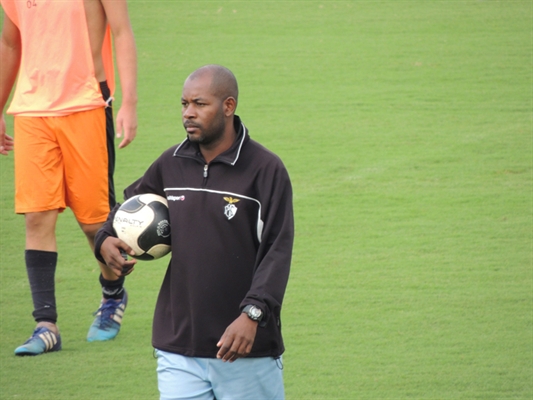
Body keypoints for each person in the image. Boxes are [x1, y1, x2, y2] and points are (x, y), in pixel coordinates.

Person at [95, 65, 293, 399]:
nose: (189, 113)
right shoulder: (171, 163)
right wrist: (105, 238)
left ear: (228, 107)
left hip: (243, 347)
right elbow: (129, 206)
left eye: (200, 104)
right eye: (184, 104)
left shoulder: (265, 170)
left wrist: (253, 314)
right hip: (178, 347)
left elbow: (277, 248)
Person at [0, 0, 138, 356]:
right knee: (37, 216)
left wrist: (129, 103)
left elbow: (121, 31)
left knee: (95, 223)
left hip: (88, 103)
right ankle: (46, 326)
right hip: (32, 110)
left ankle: (112, 294)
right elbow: (11, 42)